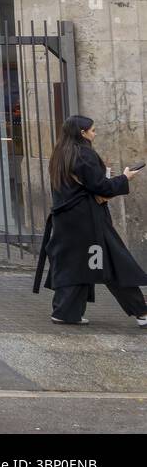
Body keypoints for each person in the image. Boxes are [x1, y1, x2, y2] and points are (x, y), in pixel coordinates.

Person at [35, 115, 147, 327]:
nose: (95, 134)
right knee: (113, 263)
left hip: (67, 219)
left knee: (75, 264)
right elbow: (101, 187)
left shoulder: (61, 153)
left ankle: (66, 312)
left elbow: (82, 183)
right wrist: (124, 178)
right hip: (88, 220)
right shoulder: (84, 153)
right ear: (82, 133)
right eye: (93, 130)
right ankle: (142, 312)